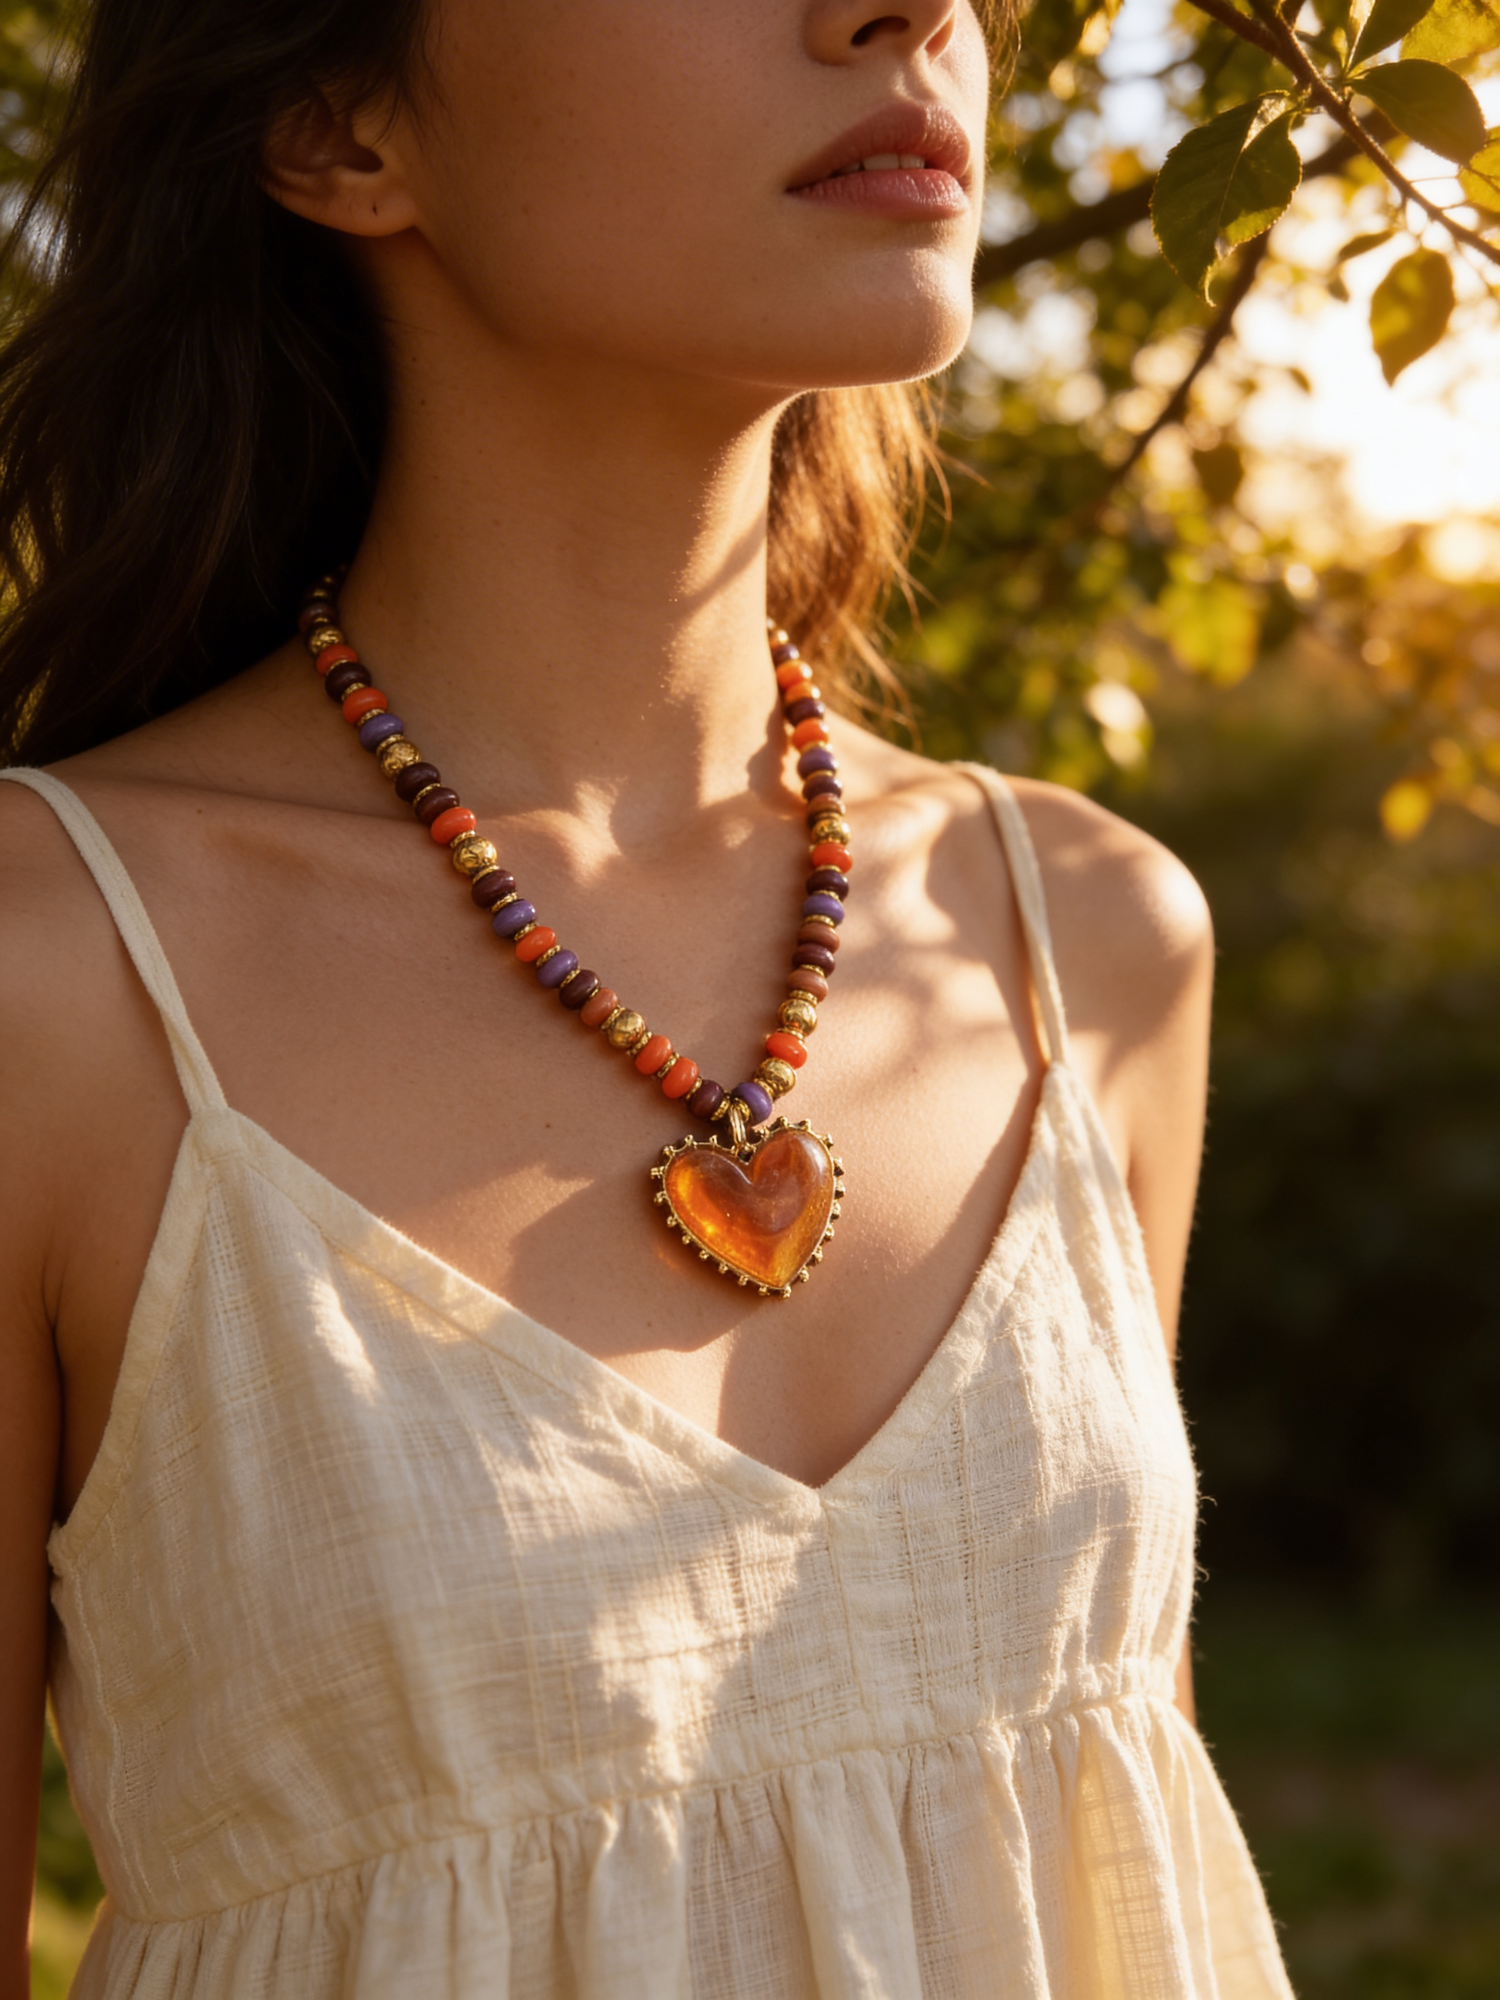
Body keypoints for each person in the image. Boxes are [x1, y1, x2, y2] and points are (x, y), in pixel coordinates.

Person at [0, 0, 1293, 1993]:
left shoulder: (1083, 943)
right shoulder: (57, 975)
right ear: (339, 125)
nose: (911, 10)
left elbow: (1110, 1871)